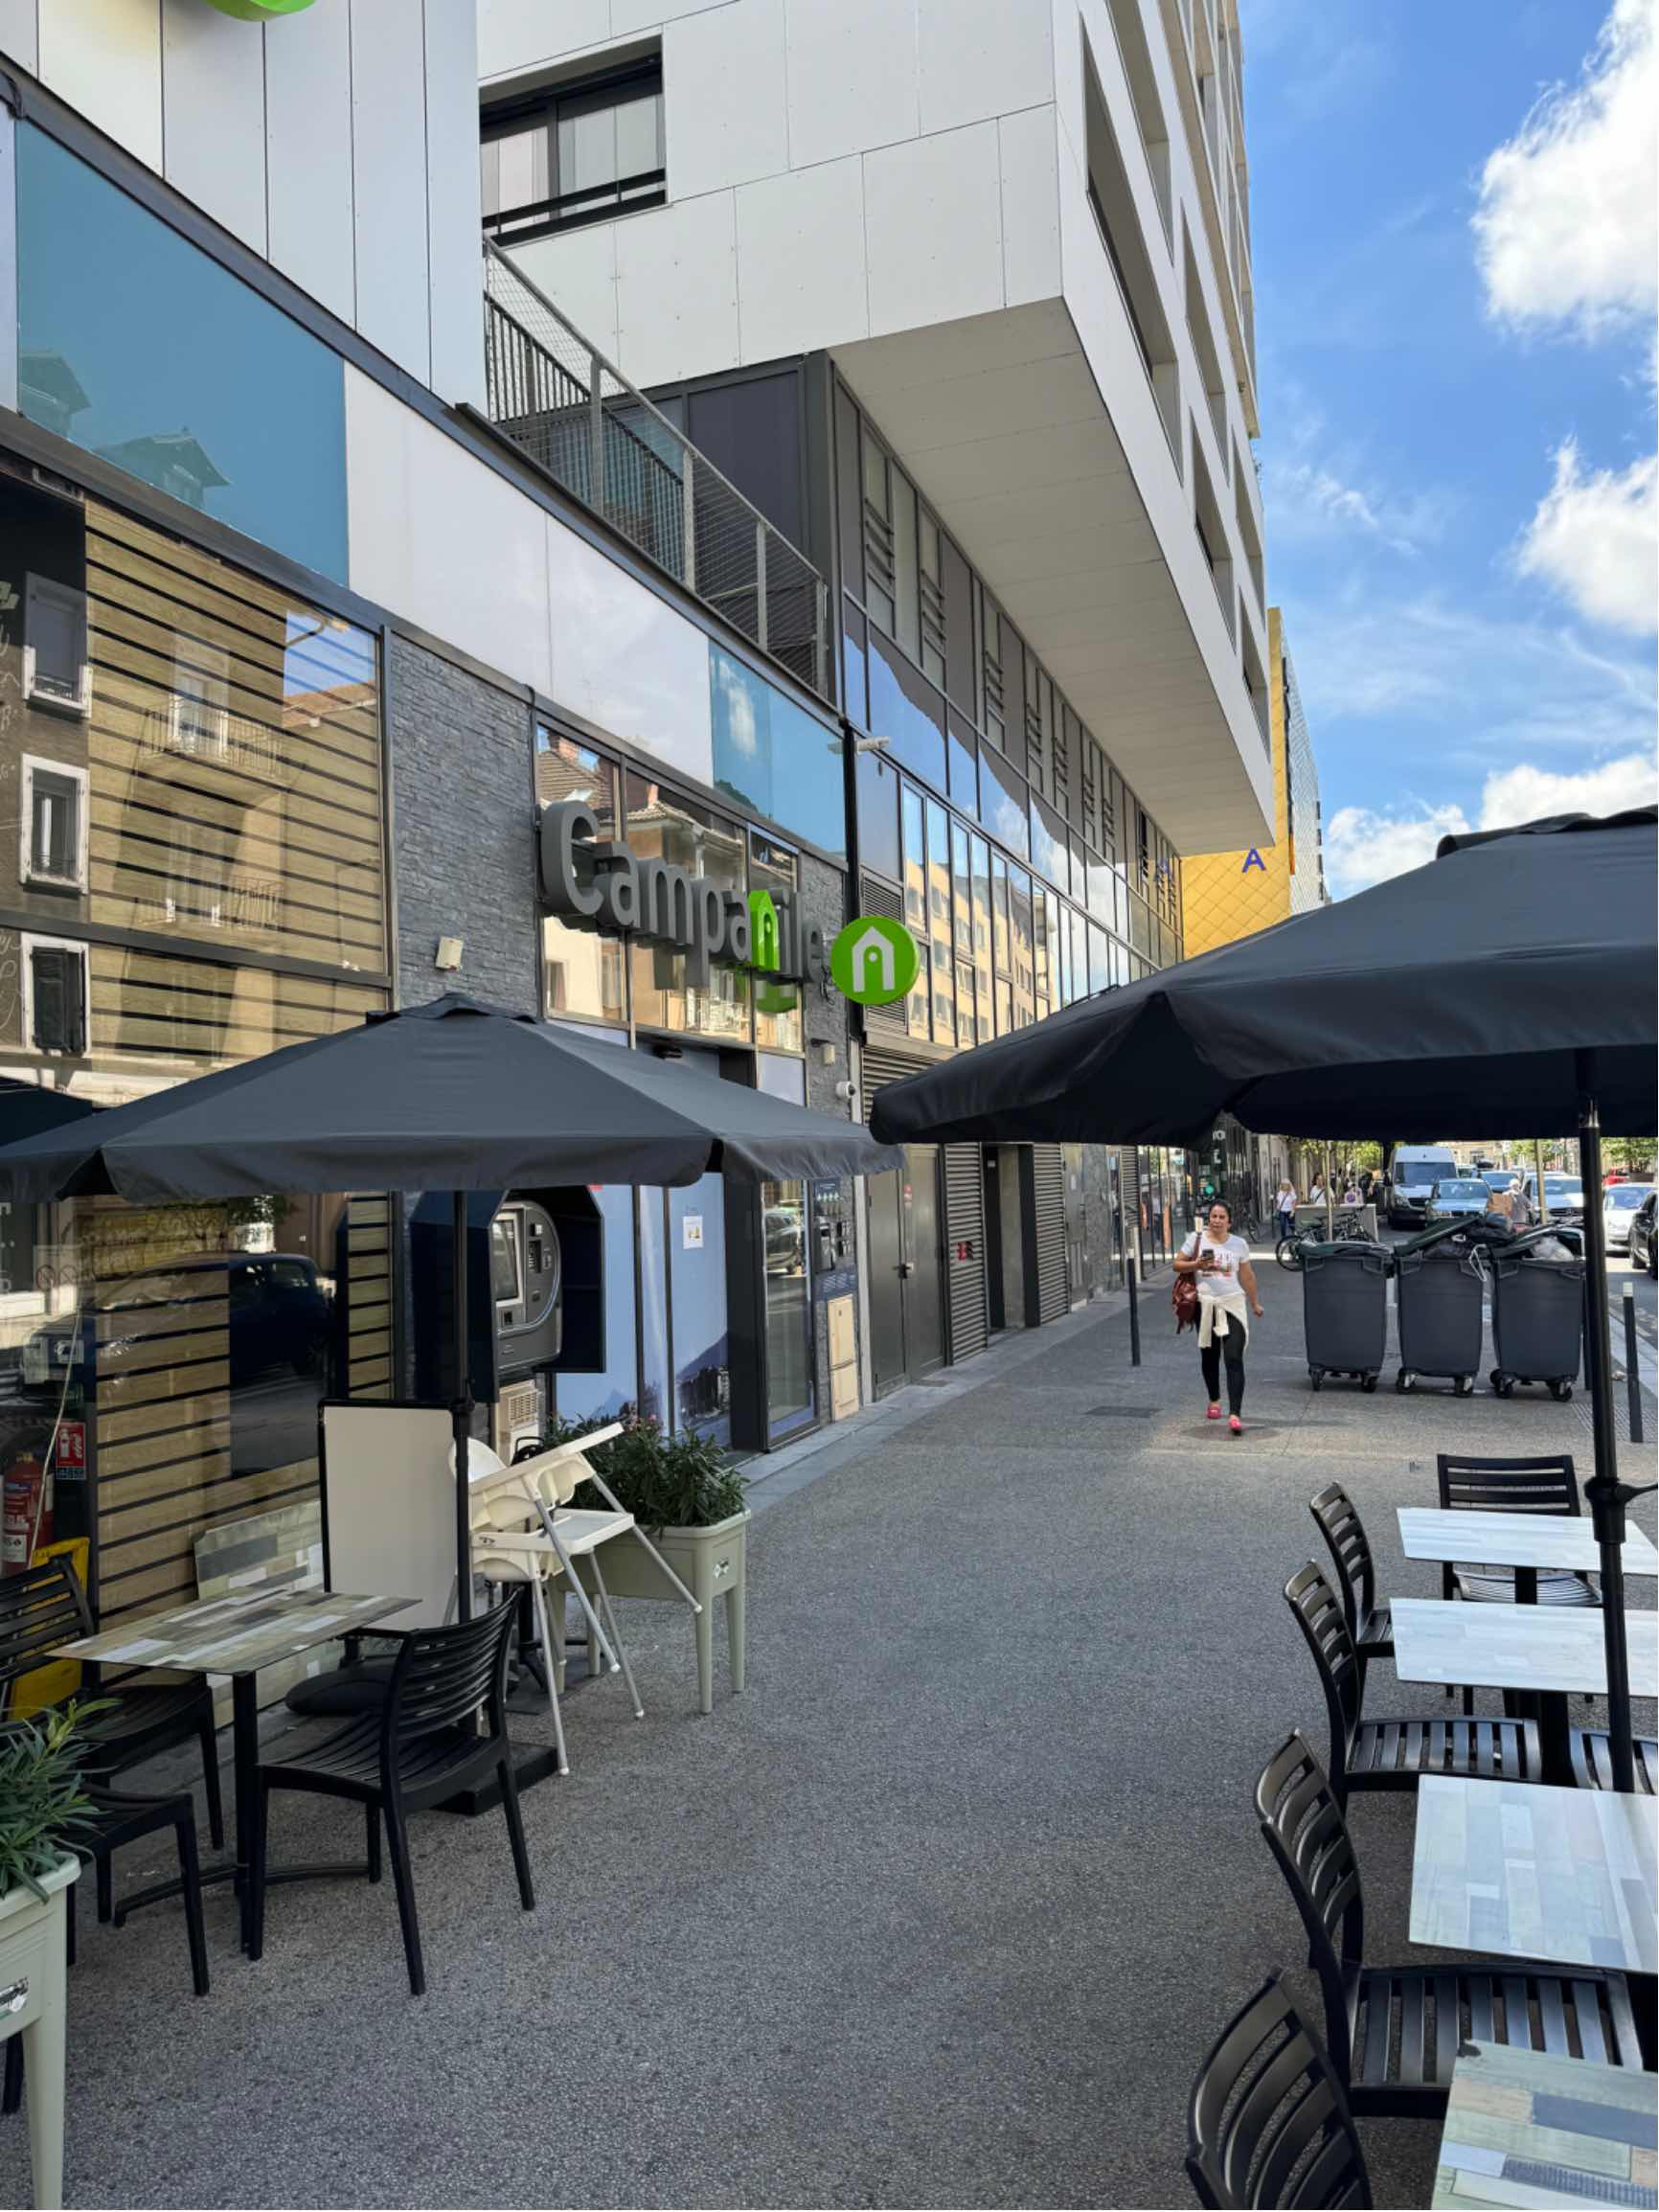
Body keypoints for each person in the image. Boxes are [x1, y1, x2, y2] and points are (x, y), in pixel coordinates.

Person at [1174, 1198, 1264, 1435]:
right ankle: (1214, 1399)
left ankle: (1235, 1414)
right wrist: (1196, 1263)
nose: (1216, 1220)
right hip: (1206, 1306)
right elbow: (1177, 1264)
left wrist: (1254, 1302)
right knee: (1210, 1356)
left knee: (1234, 1357)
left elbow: (1247, 1276)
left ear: (1229, 1222)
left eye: (1221, 1217)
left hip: (1233, 1304)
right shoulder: (1196, 1240)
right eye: (1213, 1216)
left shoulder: (1239, 1244)